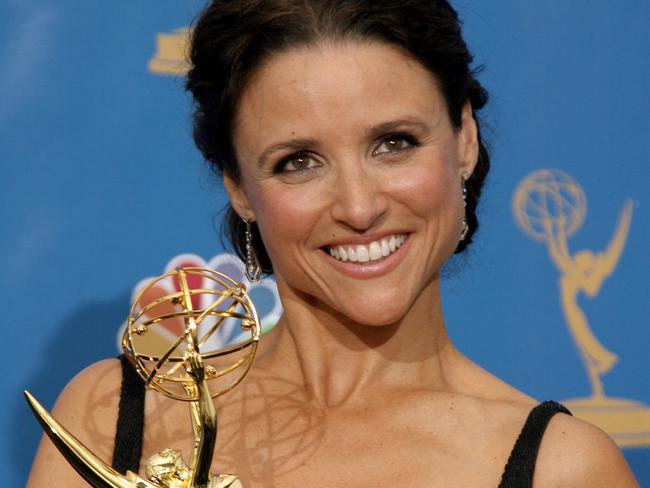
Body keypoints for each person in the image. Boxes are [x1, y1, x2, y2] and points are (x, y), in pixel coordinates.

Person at [28, 1, 638, 486]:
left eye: (394, 143)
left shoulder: (562, 470)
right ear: (239, 185)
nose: (358, 206)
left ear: (465, 139)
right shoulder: (113, 418)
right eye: (298, 161)